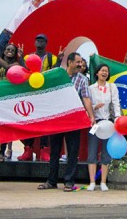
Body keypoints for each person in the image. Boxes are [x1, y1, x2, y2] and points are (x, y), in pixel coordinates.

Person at [39, 52, 95, 191]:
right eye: (77, 62)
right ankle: (51, 181)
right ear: (69, 62)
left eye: (81, 62)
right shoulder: (58, 75)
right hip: (57, 119)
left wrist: (91, 115)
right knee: (55, 151)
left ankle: (69, 181)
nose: (80, 65)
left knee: (72, 151)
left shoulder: (82, 79)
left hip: (74, 121)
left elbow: (86, 98)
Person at [17, 34, 62, 162]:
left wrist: (59, 60)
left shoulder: (51, 57)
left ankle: (44, 150)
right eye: (37, 40)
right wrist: (20, 59)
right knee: (29, 122)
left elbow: (54, 72)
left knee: (45, 123)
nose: (39, 42)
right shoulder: (28, 57)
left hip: (46, 95)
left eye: (42, 40)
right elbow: (24, 70)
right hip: (31, 94)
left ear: (46, 43)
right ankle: (28, 150)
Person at [86, 64, 121, 191]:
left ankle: (103, 182)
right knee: (92, 152)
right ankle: (92, 182)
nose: (104, 73)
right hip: (94, 123)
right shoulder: (90, 88)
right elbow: (86, 106)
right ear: (97, 73)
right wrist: (95, 107)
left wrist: (117, 119)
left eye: (106, 71)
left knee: (106, 154)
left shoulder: (112, 87)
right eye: (102, 70)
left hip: (109, 123)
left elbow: (116, 104)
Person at [0, 41, 22, 161]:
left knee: (6, 125)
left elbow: (7, 67)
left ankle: (2, 152)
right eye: (8, 49)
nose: (9, 52)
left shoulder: (16, 64)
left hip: (8, 97)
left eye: (12, 50)